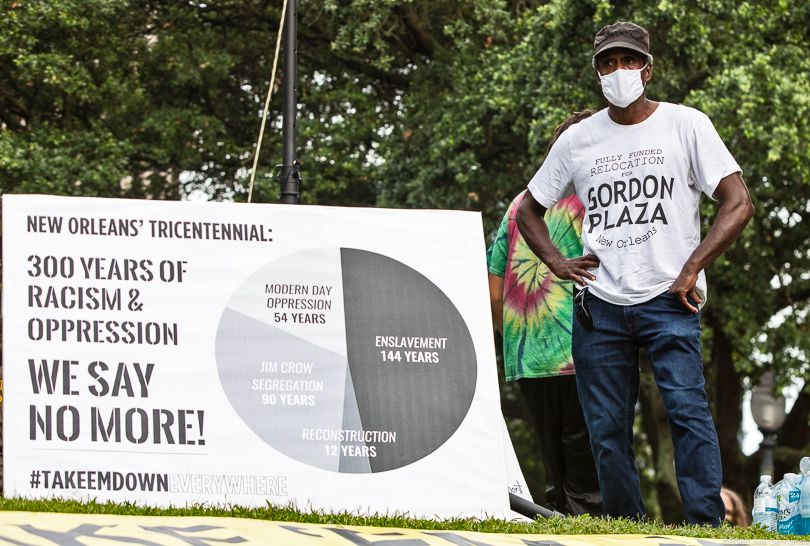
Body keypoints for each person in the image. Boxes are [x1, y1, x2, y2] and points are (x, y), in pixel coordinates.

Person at [515, 21, 754, 526]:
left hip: (671, 298)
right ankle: (627, 529)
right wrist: (557, 263)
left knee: (688, 415)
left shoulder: (686, 124)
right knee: (606, 430)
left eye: (627, 61)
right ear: (597, 72)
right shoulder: (579, 140)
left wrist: (691, 269)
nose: (618, 71)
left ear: (647, 68)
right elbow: (528, 211)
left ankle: (707, 528)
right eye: (607, 63)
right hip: (600, 305)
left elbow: (738, 204)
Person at [487, 110, 603, 517]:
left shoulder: (519, 204)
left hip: (525, 352)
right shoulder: (595, 196)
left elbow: (494, 284)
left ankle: (556, 526)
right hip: (579, 348)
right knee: (587, 477)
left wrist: (513, 337)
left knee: (553, 471)